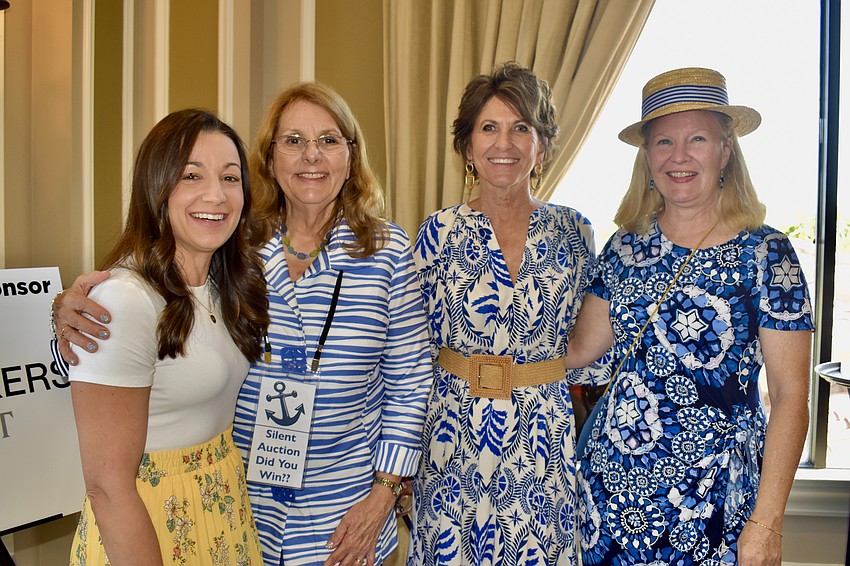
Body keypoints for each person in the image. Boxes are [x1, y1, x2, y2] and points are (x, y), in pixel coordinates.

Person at [53, 83, 433, 566]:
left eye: (329, 140)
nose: (311, 156)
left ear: (351, 156)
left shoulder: (387, 252)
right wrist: (66, 312)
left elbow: (411, 381)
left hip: (345, 516)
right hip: (240, 508)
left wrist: (383, 496)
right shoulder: (235, 243)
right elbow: (148, 304)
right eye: (293, 140)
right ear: (269, 158)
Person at [561, 67, 813, 565]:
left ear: (725, 151)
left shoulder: (768, 254)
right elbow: (575, 353)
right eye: (663, 142)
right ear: (647, 158)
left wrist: (767, 524)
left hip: (718, 506)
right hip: (611, 505)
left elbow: (791, 396)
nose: (679, 156)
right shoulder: (623, 249)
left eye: (697, 138)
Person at [409, 61, 609, 566]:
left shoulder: (575, 231)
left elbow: (592, 352)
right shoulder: (438, 234)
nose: (505, 143)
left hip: (544, 444)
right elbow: (410, 352)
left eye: (522, 128)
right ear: (468, 146)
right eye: (490, 127)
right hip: (453, 442)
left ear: (541, 146)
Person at [66, 109, 269, 565]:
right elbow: (107, 486)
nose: (216, 195)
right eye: (191, 175)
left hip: (221, 510)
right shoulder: (124, 300)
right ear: (155, 185)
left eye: (230, 177)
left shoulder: (226, 283)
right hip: (149, 525)